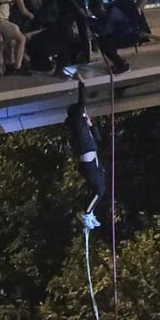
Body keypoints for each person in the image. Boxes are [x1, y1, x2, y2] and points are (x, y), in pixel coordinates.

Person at [65, 76, 104, 231]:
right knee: (99, 190)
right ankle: (86, 213)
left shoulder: (83, 126)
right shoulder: (77, 124)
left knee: (102, 188)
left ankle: (90, 212)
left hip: (92, 161)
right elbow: (82, 105)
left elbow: (98, 138)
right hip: (88, 163)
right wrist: (82, 83)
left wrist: (90, 123)